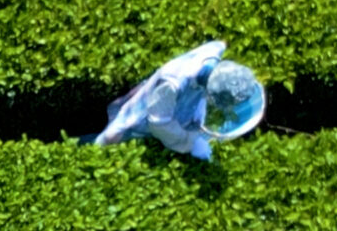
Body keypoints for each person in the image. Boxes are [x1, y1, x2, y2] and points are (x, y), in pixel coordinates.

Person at [91, 41, 265, 161]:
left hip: (178, 103)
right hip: (143, 115)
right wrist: (191, 143)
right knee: (110, 136)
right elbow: (159, 123)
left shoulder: (215, 51)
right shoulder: (173, 84)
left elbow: (220, 44)